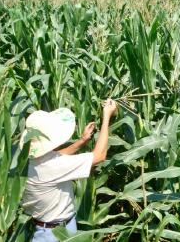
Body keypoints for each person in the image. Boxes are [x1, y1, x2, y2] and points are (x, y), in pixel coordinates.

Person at [20, 99, 118, 242]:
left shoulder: (28, 160)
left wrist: (81, 141)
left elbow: (56, 157)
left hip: (55, 226)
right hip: (52, 235)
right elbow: (99, 156)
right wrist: (106, 118)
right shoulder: (53, 166)